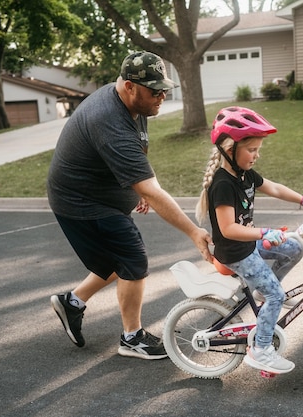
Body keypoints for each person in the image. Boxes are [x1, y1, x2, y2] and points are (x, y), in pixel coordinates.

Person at [47, 51, 212, 360]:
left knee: (119, 262)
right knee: (132, 260)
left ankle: (72, 303)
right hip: (80, 200)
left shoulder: (136, 104)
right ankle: (131, 337)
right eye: (154, 90)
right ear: (129, 86)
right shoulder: (108, 120)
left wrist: (135, 188)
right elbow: (151, 189)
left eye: (164, 89)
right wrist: (192, 231)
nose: (161, 96)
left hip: (98, 194)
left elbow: (139, 153)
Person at [195, 106, 303, 374]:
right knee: (275, 295)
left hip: (248, 245)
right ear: (230, 150)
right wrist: (265, 232)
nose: (256, 154)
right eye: (251, 149)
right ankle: (261, 350)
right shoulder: (223, 184)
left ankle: (261, 292)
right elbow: (228, 229)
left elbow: (274, 188)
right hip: (235, 252)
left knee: (294, 248)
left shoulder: (246, 175)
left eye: (257, 149)